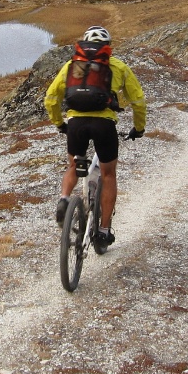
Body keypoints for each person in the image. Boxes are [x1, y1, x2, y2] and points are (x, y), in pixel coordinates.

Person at [44, 26, 146, 253]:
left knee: (73, 164)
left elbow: (51, 98)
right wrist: (138, 128)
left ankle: (64, 199)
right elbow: (138, 101)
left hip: (76, 124)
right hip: (104, 126)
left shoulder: (72, 66)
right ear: (107, 46)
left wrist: (60, 123)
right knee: (108, 175)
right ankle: (104, 231)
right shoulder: (117, 66)